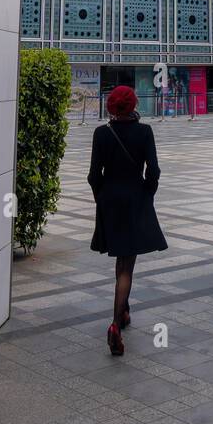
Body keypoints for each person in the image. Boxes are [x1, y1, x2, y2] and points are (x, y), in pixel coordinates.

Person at [88, 86, 168, 356]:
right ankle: (115, 325)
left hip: (110, 200)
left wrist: (101, 196)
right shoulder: (144, 132)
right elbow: (154, 171)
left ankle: (122, 313)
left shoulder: (101, 133)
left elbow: (93, 175)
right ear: (133, 104)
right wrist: (147, 193)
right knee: (127, 265)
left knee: (120, 258)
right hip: (134, 199)